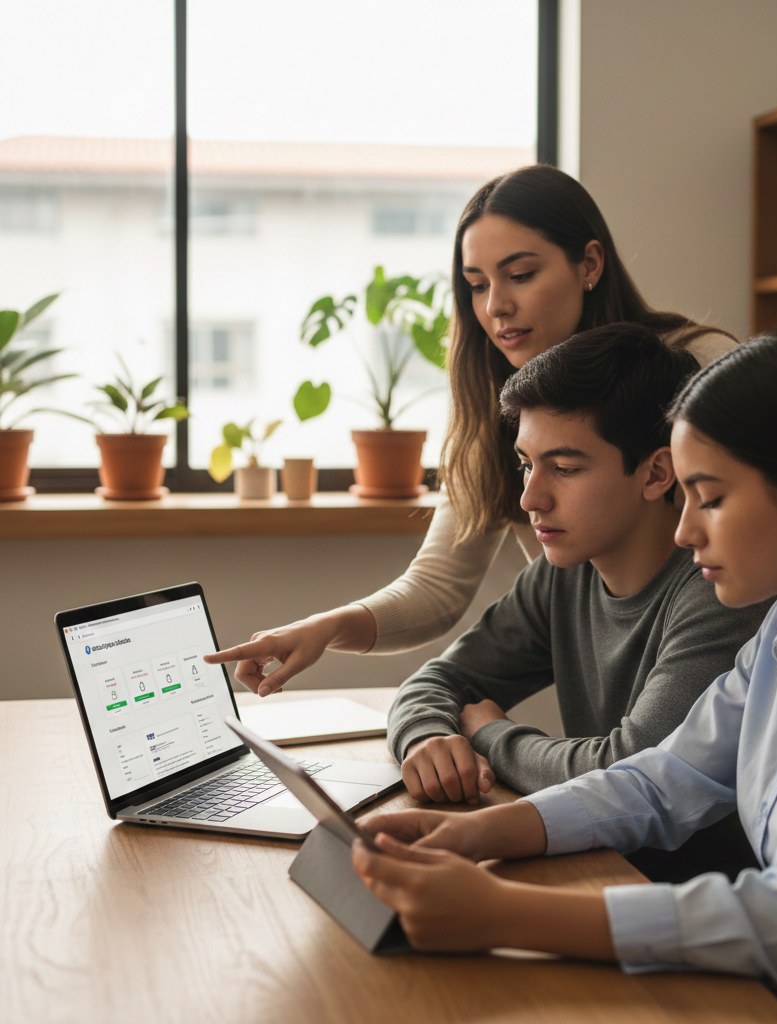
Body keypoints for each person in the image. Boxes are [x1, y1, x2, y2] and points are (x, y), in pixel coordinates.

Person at [351, 330, 777, 1022]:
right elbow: (662, 781)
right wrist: (480, 834)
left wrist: (503, 914)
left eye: (709, 497)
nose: (684, 532)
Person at [205, 165, 735, 696]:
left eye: (521, 275)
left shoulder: (701, 368)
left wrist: (489, 735)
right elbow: (437, 588)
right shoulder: (494, 407)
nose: (495, 306)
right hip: (609, 698)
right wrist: (325, 628)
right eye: (476, 285)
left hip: (716, 664)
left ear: (589, 264)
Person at [388, 323, 770, 821]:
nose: (530, 498)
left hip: (678, 888)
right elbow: (439, 679)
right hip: (592, 857)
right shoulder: (566, 573)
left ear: (657, 473)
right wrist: (430, 736)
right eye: (527, 464)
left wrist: (489, 734)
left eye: (564, 468)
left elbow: (627, 772)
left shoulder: (719, 589)